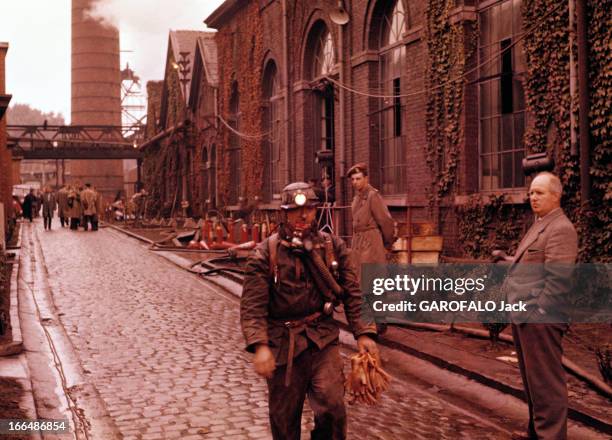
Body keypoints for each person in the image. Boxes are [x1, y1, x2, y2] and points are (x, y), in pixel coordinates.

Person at [241, 181, 378, 440]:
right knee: (284, 419)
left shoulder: (332, 247)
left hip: (321, 339)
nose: (303, 216)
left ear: (316, 211)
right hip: (283, 344)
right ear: (284, 213)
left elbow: (353, 292)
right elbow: (252, 306)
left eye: (309, 210)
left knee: (333, 408)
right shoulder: (265, 253)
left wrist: (364, 333)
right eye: (294, 211)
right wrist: (259, 345)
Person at [502, 172, 578, 440]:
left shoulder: (561, 229)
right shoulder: (540, 224)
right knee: (534, 386)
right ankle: (538, 434)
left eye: (540, 193)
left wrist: (537, 312)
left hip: (540, 320)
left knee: (546, 387)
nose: (533, 197)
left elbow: (558, 280)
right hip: (524, 316)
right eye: (531, 192)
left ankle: (551, 436)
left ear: (556, 196)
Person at [347, 163, 395, 273]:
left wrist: (388, 244)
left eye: (358, 179)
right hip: (358, 241)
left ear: (366, 179)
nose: (355, 182)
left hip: (371, 241)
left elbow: (385, 221)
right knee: (359, 275)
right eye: (353, 179)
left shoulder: (372, 196)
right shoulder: (356, 198)